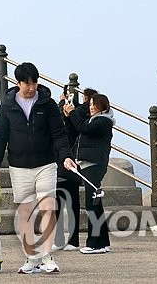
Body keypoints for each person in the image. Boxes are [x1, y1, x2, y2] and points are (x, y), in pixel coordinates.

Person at [0, 62, 74, 275]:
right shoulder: (7, 106)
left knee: (47, 208)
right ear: (18, 83)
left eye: (34, 83)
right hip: (18, 166)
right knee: (25, 212)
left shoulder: (47, 104)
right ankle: (31, 258)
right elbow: (0, 136)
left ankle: (47, 256)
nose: (31, 87)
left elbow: (59, 134)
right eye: (27, 83)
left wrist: (66, 156)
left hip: (46, 164)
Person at [69, 92, 114, 254]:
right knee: (96, 204)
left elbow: (84, 128)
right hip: (88, 165)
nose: (91, 108)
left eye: (94, 105)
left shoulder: (103, 121)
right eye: (90, 105)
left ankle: (94, 244)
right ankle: (103, 242)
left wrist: (73, 113)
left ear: (102, 106)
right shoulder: (96, 119)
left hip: (94, 165)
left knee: (91, 204)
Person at [55, 86, 95, 251]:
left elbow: (80, 117)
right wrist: (62, 103)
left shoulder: (79, 115)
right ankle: (58, 239)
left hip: (72, 163)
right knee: (57, 203)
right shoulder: (60, 115)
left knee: (72, 203)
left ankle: (73, 240)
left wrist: (72, 109)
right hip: (57, 162)